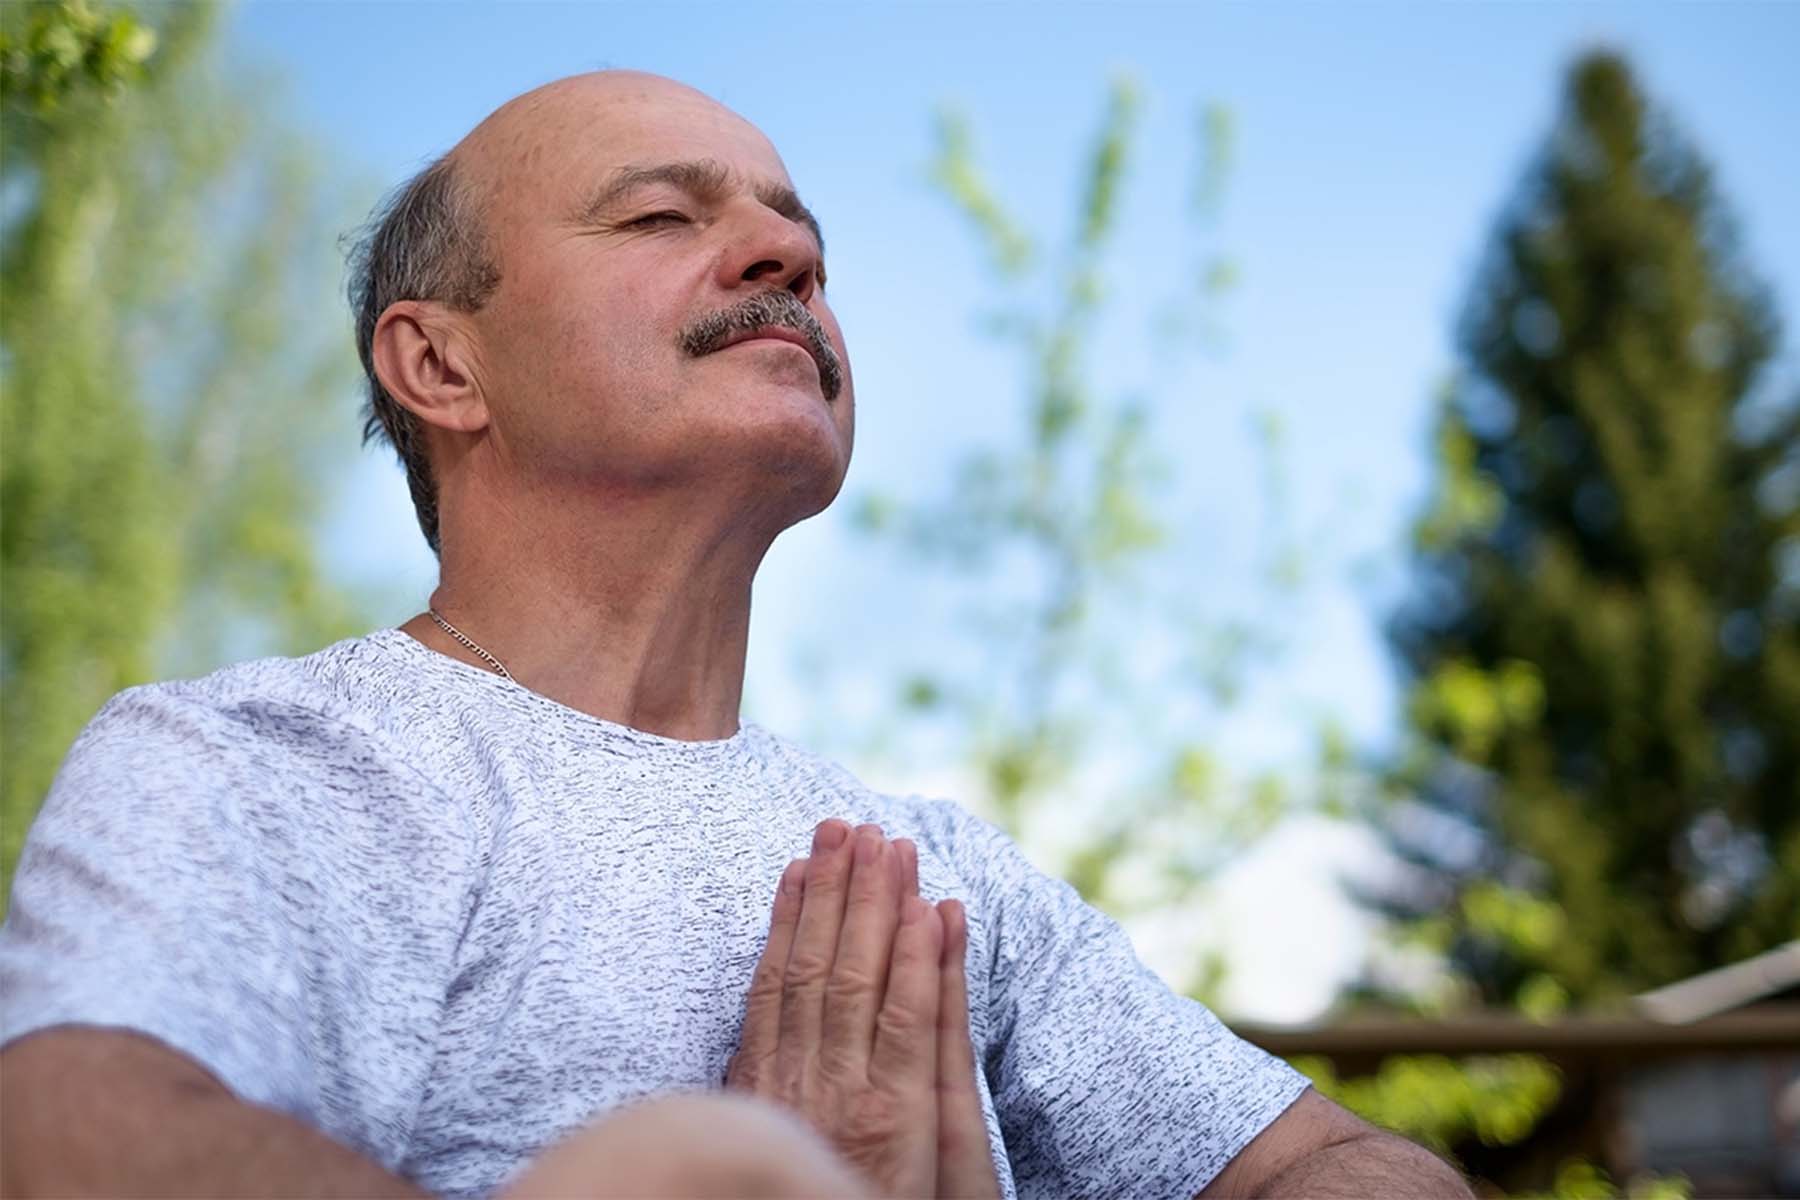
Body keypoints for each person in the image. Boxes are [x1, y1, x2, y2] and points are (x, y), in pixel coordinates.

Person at [0, 69, 1471, 1200]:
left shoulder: (943, 881)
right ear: (442, 361)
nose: (786, 254)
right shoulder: (253, 767)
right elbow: (64, 1147)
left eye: (799, 235)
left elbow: (1358, 1170)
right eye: (662, 216)